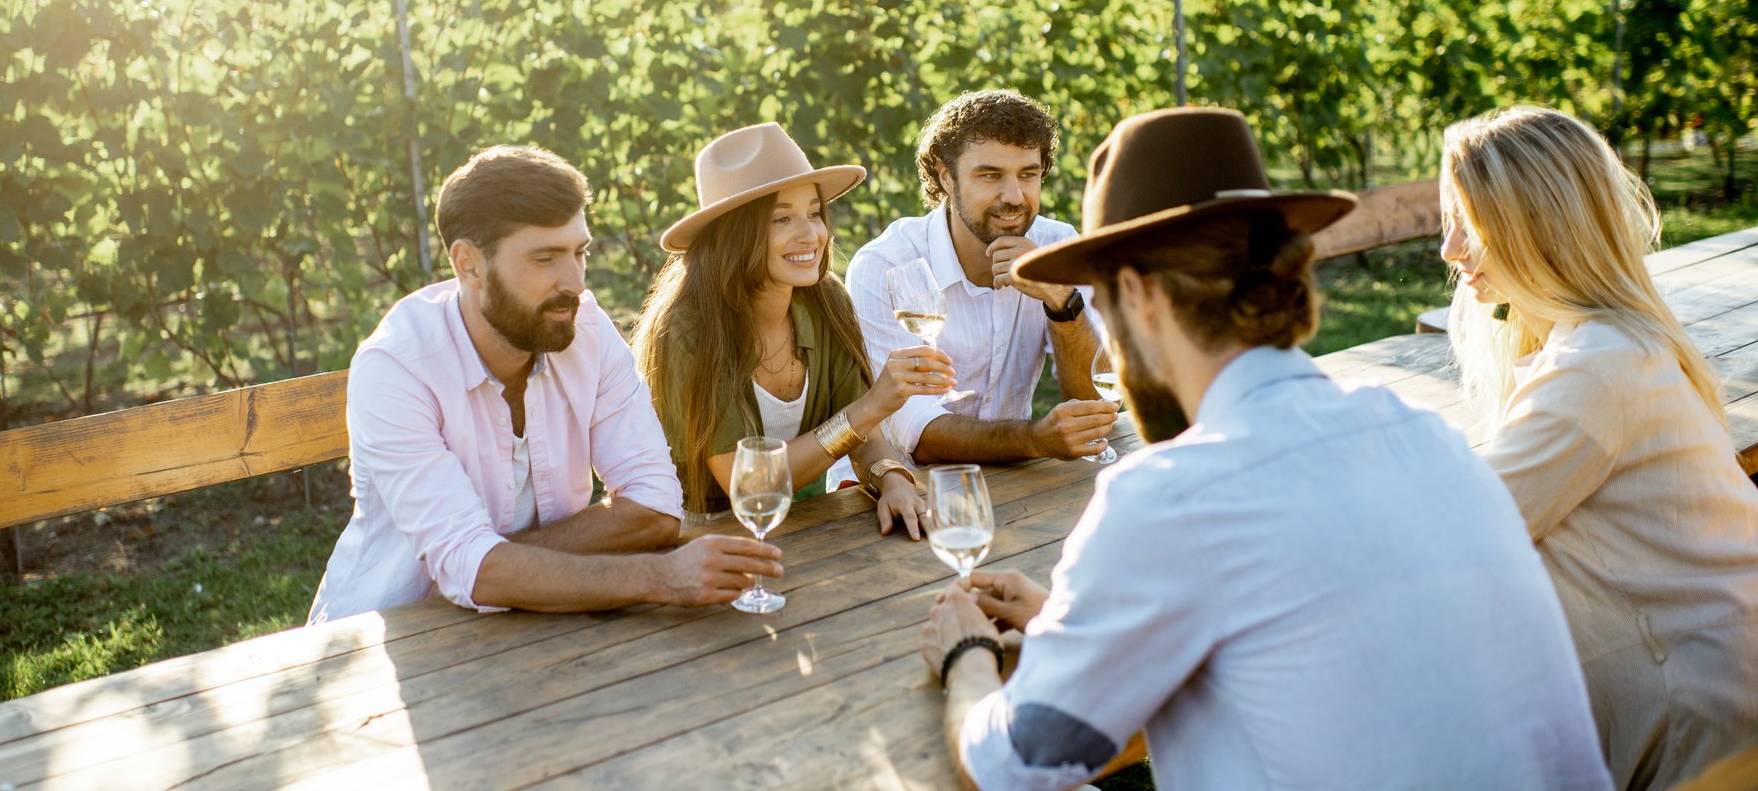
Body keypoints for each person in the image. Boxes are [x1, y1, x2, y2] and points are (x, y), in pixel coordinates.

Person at [920, 106, 1609, 791]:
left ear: (1137, 294)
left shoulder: (1169, 498)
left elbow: (1012, 767)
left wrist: (968, 657)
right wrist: (1071, 627)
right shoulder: (1426, 435)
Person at [308, 146, 780, 622]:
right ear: (468, 264)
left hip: (542, 623)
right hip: (389, 632)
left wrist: (497, 562)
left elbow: (655, 507)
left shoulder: (586, 330)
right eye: (544, 258)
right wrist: (660, 578)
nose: (574, 282)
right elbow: (476, 571)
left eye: (580, 253)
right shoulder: (397, 367)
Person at [1440, 105, 1758, 790]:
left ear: (1539, 224)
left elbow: (1457, 531)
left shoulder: (1597, 366)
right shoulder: (1606, 343)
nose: (1450, 249)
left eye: (1470, 221)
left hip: (1705, 729)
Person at [633, 122, 947, 532]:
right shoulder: (688, 328)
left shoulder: (825, 301)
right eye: (782, 219)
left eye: (814, 214)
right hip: (688, 532)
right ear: (735, 234)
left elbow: (865, 437)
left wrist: (892, 480)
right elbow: (747, 484)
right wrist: (871, 406)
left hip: (786, 527)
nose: (811, 235)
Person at [846, 90, 1118, 466]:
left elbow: (1098, 401)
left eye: (1028, 175)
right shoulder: (886, 265)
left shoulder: (1058, 245)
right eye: (990, 175)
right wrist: (1035, 439)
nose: (1014, 196)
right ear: (946, 178)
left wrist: (1061, 300)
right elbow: (916, 432)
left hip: (1016, 485)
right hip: (899, 490)